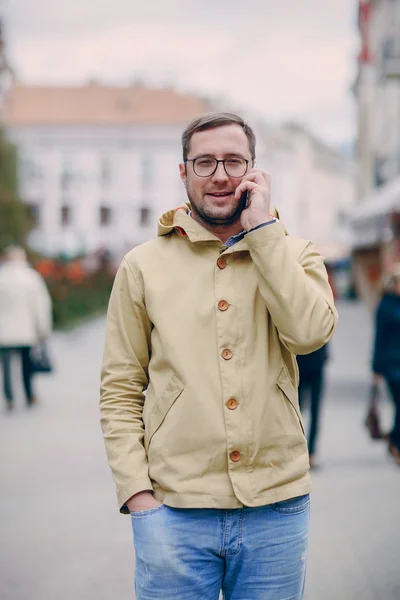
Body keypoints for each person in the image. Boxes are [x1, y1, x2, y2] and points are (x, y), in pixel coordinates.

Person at [100, 112, 338, 600]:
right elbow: (120, 387)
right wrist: (137, 496)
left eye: (234, 161)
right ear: (183, 173)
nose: (220, 175)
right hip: (174, 510)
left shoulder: (296, 253)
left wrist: (264, 232)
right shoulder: (142, 266)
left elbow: (311, 333)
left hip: (276, 507)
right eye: (204, 162)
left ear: (254, 172)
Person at [0, 246, 52, 410]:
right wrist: (43, 329)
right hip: (25, 329)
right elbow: (40, 306)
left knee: (6, 366)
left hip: (5, 329)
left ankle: (9, 398)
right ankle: (29, 395)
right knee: (26, 363)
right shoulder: (31, 278)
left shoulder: (2, 277)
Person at [372, 263, 400, 465]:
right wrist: (376, 370)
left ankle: (394, 439)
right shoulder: (386, 306)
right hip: (392, 366)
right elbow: (379, 339)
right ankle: (396, 442)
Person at [297, 344, 329, 469]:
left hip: (312, 362)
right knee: (298, 412)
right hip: (304, 363)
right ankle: (303, 453)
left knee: (311, 412)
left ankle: (310, 454)